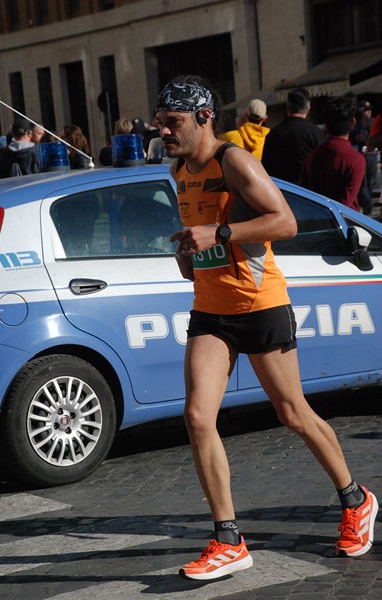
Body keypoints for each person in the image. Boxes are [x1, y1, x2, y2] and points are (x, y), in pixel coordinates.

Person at [154, 75, 378, 581]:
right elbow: (204, 240)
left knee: (293, 412)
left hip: (260, 304)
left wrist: (222, 231)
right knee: (196, 416)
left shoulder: (234, 161)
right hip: (210, 309)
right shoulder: (178, 170)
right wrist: (189, 254)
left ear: (205, 117)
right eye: (161, 122)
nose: (163, 130)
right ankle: (228, 539)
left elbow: (285, 222)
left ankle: (356, 498)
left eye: (173, 122)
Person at [300, 96, 366, 212]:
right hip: (346, 224)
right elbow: (344, 204)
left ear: (326, 125)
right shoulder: (356, 159)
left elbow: (304, 194)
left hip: (316, 219)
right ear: (353, 122)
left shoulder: (312, 156)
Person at [262, 87, 324, 183]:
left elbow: (266, 168)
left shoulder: (273, 134)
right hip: (308, 192)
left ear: (288, 108)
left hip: (281, 190)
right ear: (308, 109)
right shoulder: (315, 132)